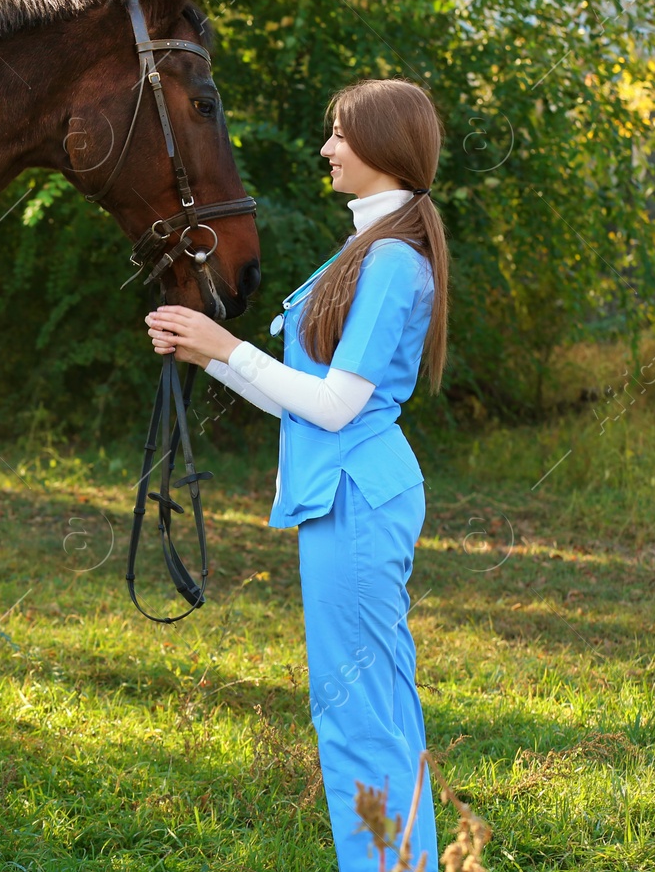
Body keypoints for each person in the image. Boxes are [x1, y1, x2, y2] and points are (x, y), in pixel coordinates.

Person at [146, 78, 450, 871]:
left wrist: (223, 346)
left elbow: (335, 405)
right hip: (349, 494)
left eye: (342, 134)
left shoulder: (387, 259)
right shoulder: (369, 249)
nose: (326, 148)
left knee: (357, 710)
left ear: (385, 147)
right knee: (376, 700)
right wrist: (205, 351)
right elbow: (304, 398)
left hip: (358, 495)